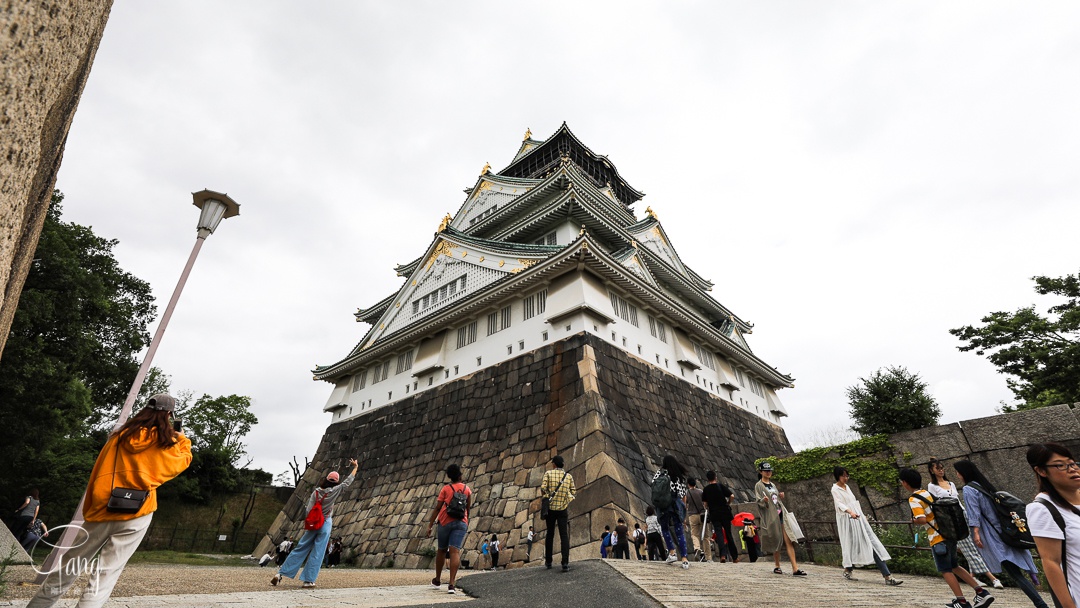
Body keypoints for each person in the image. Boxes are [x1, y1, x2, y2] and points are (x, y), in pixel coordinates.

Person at [27, 394, 192, 608]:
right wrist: (182, 438)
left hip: (103, 508)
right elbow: (183, 460)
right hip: (137, 512)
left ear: (145, 410)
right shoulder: (165, 442)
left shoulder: (119, 436)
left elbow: (99, 470)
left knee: (69, 566)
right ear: (169, 414)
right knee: (105, 575)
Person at [954, 460, 1046, 608]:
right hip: (1006, 531)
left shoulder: (969, 489)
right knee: (1016, 567)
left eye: (958, 472)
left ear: (963, 473)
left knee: (1014, 573)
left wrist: (975, 533)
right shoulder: (984, 485)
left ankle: (1041, 605)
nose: (957, 475)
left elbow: (974, 513)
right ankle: (1035, 581)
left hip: (994, 536)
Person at [901, 467, 994, 608]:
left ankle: (961, 601)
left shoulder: (914, 499)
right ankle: (981, 592)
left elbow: (921, 519)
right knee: (955, 566)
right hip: (948, 534)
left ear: (905, 483)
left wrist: (913, 520)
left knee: (946, 570)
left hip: (938, 539)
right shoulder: (927, 493)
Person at [272, 457, 358, 589]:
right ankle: (308, 580)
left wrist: (310, 522)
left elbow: (308, 509)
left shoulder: (316, 492)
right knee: (318, 551)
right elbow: (347, 483)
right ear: (336, 482)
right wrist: (355, 467)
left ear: (326, 480)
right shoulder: (334, 491)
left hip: (313, 524)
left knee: (300, 548)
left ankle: (280, 574)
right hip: (325, 523)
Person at [927, 459, 1004, 589]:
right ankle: (992, 577)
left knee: (974, 545)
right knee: (969, 547)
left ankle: (973, 576)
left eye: (942, 467)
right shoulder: (932, 486)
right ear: (931, 470)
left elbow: (957, 500)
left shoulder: (950, 483)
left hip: (962, 514)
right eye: (937, 468)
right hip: (951, 520)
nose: (941, 470)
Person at [1026, 442, 1080, 608]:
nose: (1072, 469)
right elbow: (1051, 562)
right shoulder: (1042, 509)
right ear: (1041, 471)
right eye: (1060, 465)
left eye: (1072, 463)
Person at [830, 466, 902, 585]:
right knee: (851, 544)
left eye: (847, 475)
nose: (846, 478)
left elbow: (854, 503)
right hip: (847, 520)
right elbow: (839, 504)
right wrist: (850, 512)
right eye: (843, 476)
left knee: (871, 542)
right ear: (838, 476)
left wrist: (862, 517)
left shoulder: (847, 487)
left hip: (857, 518)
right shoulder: (835, 489)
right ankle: (849, 569)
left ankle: (887, 576)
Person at [426, 463, 471, 594]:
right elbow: (467, 508)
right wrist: (465, 521)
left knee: (441, 550)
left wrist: (430, 525)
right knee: (454, 552)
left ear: (450, 477)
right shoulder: (467, 489)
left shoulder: (446, 489)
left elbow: (438, 508)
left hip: (445, 522)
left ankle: (438, 580)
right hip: (461, 522)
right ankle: (451, 584)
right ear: (460, 475)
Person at [754, 462, 805, 576]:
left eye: (770, 471)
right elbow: (758, 500)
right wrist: (764, 500)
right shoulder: (759, 485)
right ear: (761, 472)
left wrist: (780, 496)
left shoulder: (772, 485)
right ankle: (777, 565)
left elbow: (776, 499)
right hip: (772, 517)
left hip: (781, 515)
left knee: (789, 540)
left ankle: (795, 568)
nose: (768, 473)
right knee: (776, 540)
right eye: (766, 471)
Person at [652, 454, 690, 569]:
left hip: (663, 505)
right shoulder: (678, 476)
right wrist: (684, 509)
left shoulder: (660, 473)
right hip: (676, 504)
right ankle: (684, 559)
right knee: (679, 531)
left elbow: (653, 484)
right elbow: (683, 494)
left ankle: (672, 552)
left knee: (665, 529)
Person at [541, 454, 575, 572]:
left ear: (554, 464)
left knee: (550, 534)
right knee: (564, 535)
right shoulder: (568, 476)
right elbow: (573, 491)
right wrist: (565, 500)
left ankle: (549, 561)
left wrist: (548, 497)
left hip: (550, 509)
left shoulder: (548, 474)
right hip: (562, 509)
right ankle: (565, 562)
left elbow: (543, 488)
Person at [701, 470, 737, 563]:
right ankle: (735, 557)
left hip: (714, 513)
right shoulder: (720, 486)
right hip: (725, 512)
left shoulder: (706, 489)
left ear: (708, 479)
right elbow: (732, 496)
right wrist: (728, 503)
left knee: (719, 534)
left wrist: (709, 505)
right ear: (715, 477)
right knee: (728, 534)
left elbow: (705, 504)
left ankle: (723, 555)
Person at [685, 478, 707, 561]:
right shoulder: (700, 491)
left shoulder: (687, 493)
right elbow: (705, 503)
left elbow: (685, 504)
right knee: (705, 535)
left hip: (692, 515)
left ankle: (697, 548)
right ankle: (707, 555)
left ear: (688, 484)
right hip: (702, 514)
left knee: (694, 534)